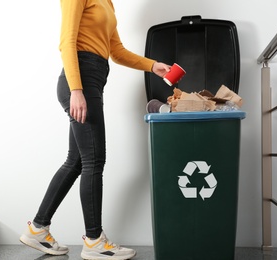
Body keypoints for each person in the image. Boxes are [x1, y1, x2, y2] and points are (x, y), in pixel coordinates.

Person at [20, 0, 170, 259]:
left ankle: (38, 228)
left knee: (76, 161)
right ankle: (94, 240)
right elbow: (66, 41)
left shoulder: (108, 3)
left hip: (93, 79)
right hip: (80, 79)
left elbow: (117, 51)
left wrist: (151, 65)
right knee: (94, 160)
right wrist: (76, 90)